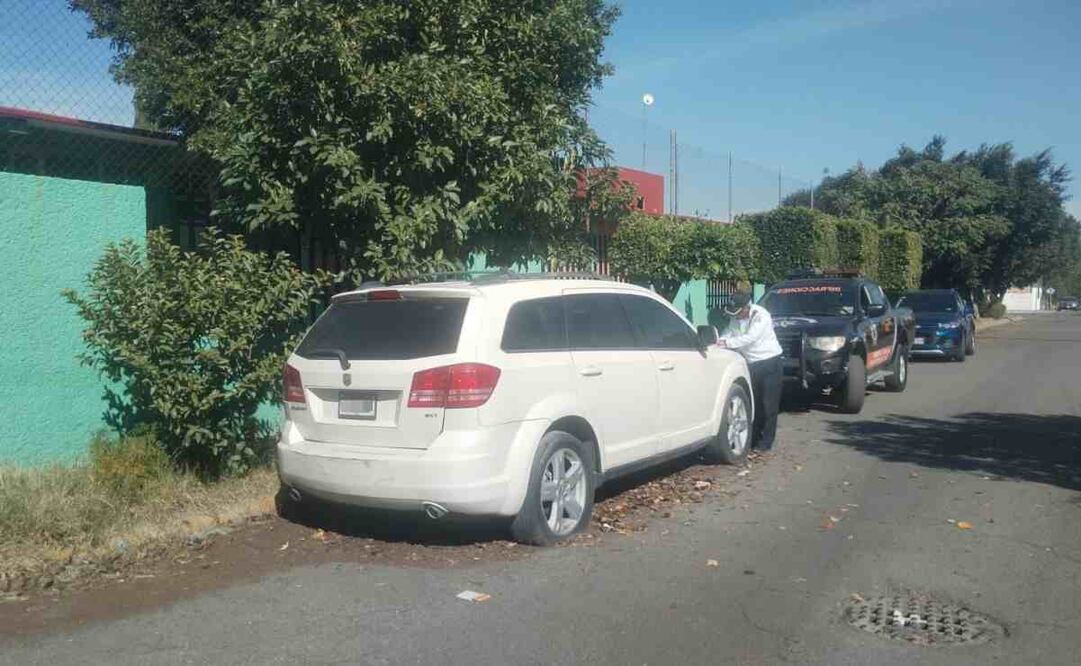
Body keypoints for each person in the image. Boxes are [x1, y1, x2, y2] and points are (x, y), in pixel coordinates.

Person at [718, 292, 783, 451]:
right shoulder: (736, 316)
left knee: (769, 405)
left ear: (747, 307)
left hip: (770, 363)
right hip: (751, 364)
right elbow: (728, 332)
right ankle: (753, 439)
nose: (736, 316)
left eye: (738, 312)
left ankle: (766, 442)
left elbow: (750, 338)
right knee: (754, 405)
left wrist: (725, 343)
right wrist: (720, 340)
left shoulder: (760, 315)